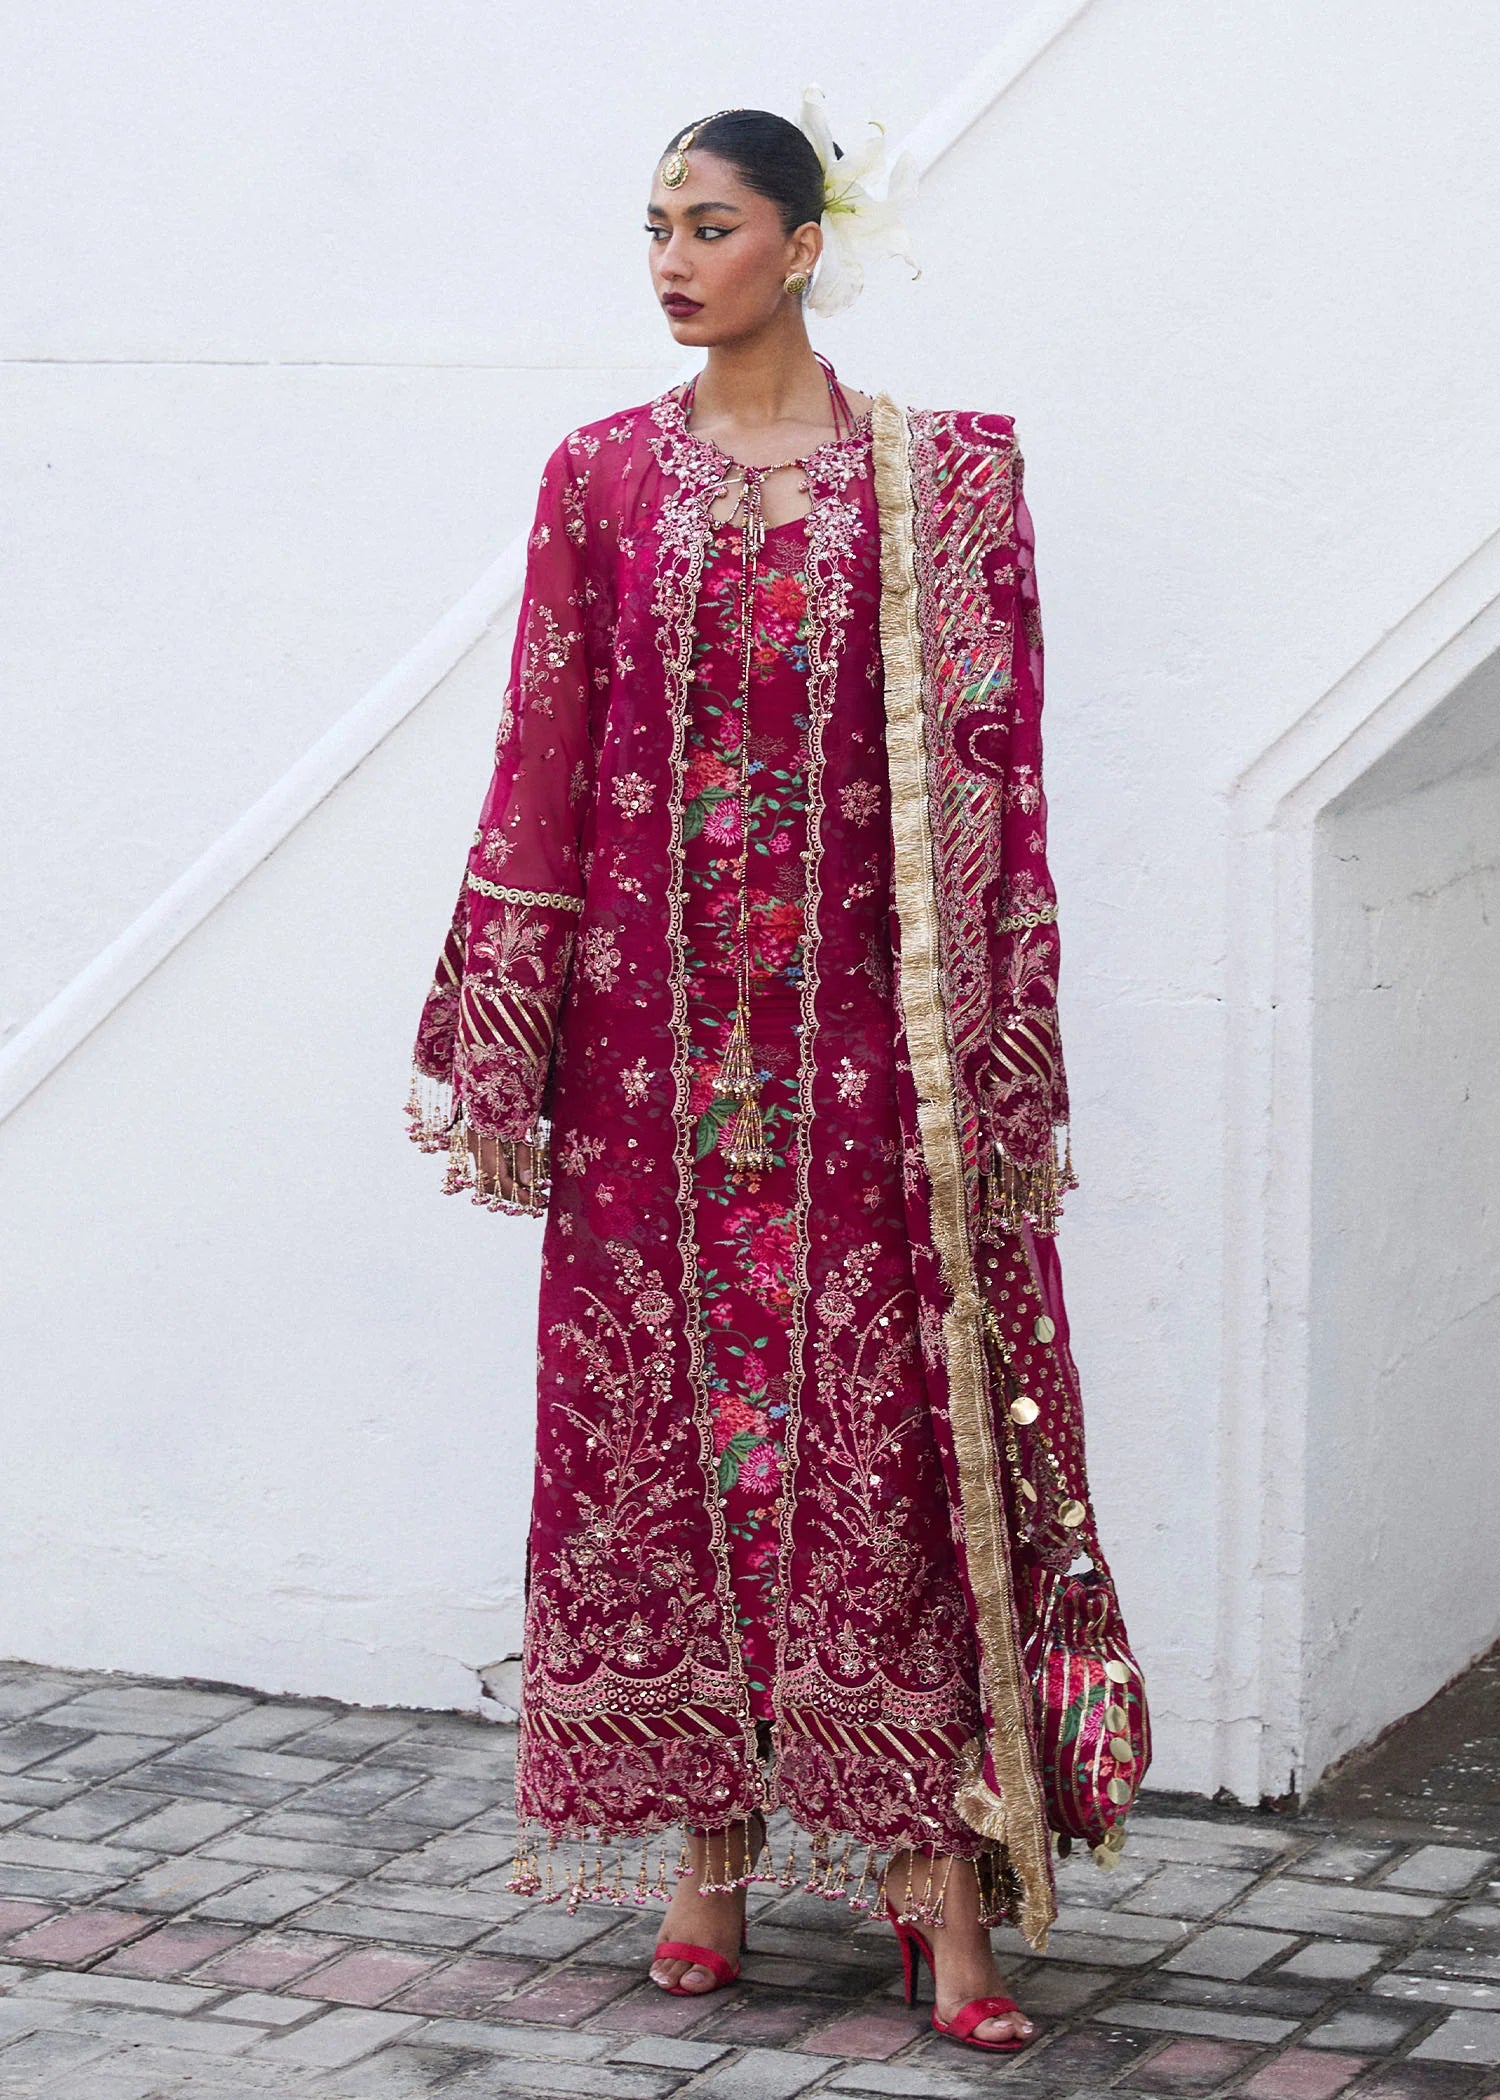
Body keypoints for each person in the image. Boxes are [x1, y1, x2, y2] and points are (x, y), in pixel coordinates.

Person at [407, 96, 1130, 2056]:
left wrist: (994, 1057)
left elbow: (996, 778)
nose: (668, 259)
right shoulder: (600, 483)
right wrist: (509, 1030)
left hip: (866, 1078)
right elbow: (542, 757)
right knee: (679, 1446)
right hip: (657, 1068)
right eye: (653, 224)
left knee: (879, 1454)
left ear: (802, 245)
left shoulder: (941, 487)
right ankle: (705, 1865)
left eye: (708, 224)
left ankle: (935, 1892)